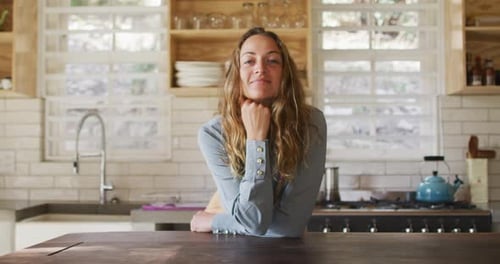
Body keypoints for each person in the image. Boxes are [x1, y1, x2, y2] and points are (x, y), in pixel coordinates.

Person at [190, 27, 326, 237]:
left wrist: (217, 221)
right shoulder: (213, 134)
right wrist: (256, 140)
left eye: (272, 60)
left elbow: (290, 227)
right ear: (237, 74)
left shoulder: (311, 123)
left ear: (285, 74)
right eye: (249, 61)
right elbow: (254, 222)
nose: (260, 68)